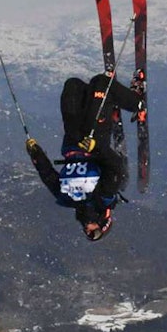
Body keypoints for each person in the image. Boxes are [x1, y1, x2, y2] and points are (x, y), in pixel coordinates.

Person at [26, 72, 145, 241]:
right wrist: (97, 148)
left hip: (72, 143)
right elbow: (115, 165)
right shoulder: (103, 196)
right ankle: (137, 102)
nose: (87, 231)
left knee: (73, 87)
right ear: (104, 224)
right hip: (93, 139)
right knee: (100, 83)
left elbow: (48, 176)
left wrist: (36, 154)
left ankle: (109, 102)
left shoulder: (67, 199)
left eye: (87, 234)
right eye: (94, 233)